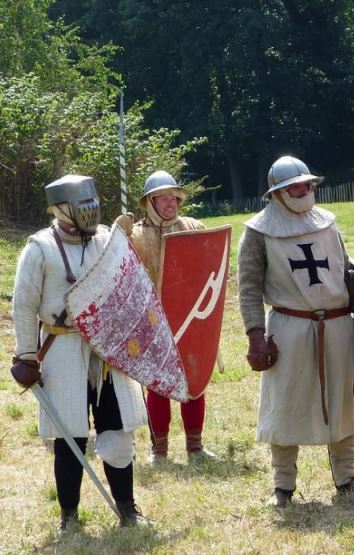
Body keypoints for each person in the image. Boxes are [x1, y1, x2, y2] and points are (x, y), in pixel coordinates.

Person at [11, 175, 149, 530]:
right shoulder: (39, 247)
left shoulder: (105, 239)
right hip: (62, 346)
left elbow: (128, 288)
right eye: (81, 204)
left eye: (92, 203)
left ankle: (128, 509)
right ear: (60, 208)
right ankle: (69, 517)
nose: (90, 210)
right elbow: (24, 304)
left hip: (106, 351)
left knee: (117, 430)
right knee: (69, 436)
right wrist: (26, 355)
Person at [238, 156, 354, 508]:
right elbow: (249, 288)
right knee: (286, 403)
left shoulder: (327, 223)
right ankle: (283, 486)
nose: (303, 190)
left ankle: (347, 478)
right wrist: (255, 336)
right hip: (289, 328)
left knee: (342, 402)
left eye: (306, 184)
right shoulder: (258, 231)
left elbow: (347, 271)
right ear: (278, 192)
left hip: (338, 325)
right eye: (295, 186)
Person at [116, 171, 213, 463]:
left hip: (190, 317)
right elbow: (118, 268)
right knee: (157, 384)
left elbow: (210, 268)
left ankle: (195, 445)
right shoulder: (136, 234)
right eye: (163, 198)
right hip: (154, 319)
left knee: (194, 381)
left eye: (174, 197)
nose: (170, 203)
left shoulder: (193, 227)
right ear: (150, 201)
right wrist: (117, 235)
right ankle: (159, 449)